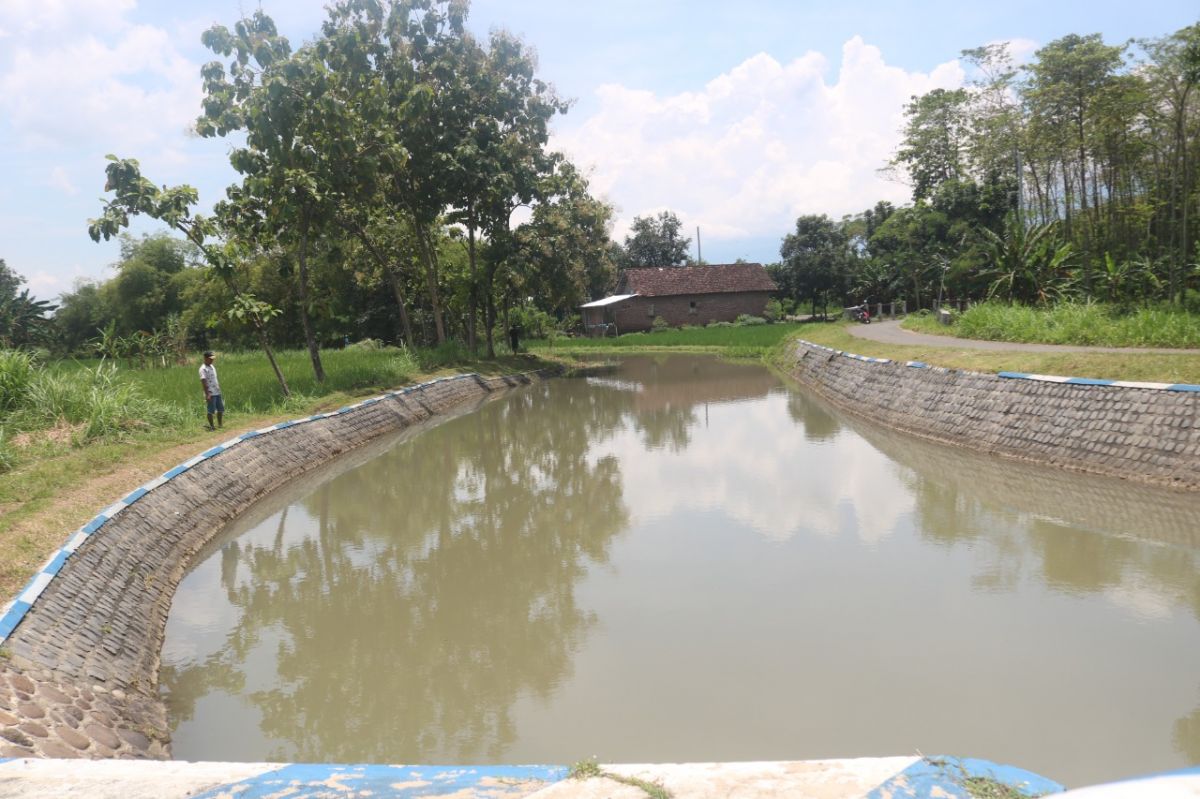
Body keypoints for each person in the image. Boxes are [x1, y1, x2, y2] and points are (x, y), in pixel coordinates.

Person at [199, 350, 224, 430]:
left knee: (220, 409)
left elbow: (214, 378)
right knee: (211, 410)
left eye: (213, 359)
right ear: (205, 358)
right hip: (210, 393)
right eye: (210, 358)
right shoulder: (203, 369)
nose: (212, 360)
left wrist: (218, 387)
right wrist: (207, 394)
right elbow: (204, 382)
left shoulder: (212, 366)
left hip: (217, 391)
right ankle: (212, 426)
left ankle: (220, 425)